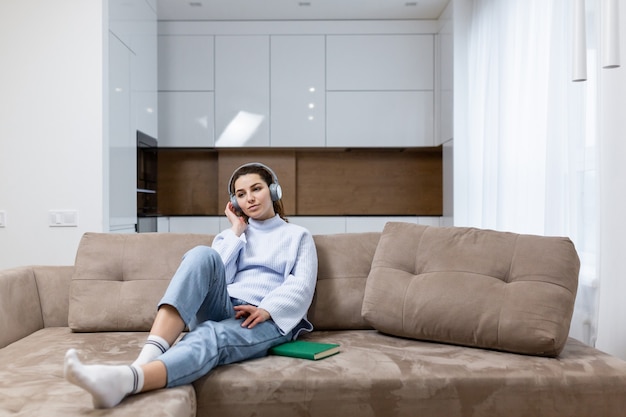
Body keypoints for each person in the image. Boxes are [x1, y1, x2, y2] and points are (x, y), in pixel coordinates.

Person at [64, 162, 318, 408]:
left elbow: (302, 284)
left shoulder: (298, 236)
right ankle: (145, 359)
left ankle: (127, 381)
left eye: (256, 189)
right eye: (241, 194)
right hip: (225, 306)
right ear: (234, 202)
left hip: (264, 319)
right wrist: (237, 231)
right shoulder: (231, 235)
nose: (250, 198)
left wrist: (268, 309)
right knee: (202, 254)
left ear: (274, 191)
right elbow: (218, 274)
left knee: (210, 335)